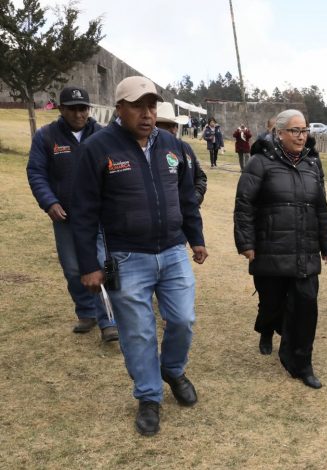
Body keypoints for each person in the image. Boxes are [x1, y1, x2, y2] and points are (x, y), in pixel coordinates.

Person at [71, 76, 208, 436]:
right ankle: (149, 397)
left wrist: (196, 238)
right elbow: (83, 212)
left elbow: (186, 198)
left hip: (173, 251)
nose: (147, 114)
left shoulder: (170, 144)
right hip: (127, 257)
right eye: (137, 106)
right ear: (120, 109)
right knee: (139, 333)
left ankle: (173, 370)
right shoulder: (98, 148)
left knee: (183, 320)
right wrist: (88, 265)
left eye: (151, 106)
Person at [234, 110, 327, 389]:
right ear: (279, 133)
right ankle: (266, 329)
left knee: (306, 306)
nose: (301, 136)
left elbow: (321, 206)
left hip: (304, 250)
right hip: (271, 248)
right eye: (294, 131)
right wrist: (247, 243)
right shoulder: (260, 163)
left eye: (304, 130)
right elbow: (244, 205)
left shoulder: (313, 164)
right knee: (272, 304)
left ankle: (300, 362)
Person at [26, 86, 118, 342]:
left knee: (103, 264)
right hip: (65, 216)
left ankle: (109, 320)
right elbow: (36, 172)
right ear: (61, 109)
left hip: (99, 216)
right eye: (74, 108)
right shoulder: (46, 137)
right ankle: (86, 312)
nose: (79, 114)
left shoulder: (102, 134)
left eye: (84, 108)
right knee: (73, 268)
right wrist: (49, 202)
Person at [155, 102, 208, 206]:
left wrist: (195, 198)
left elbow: (200, 177)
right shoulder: (145, 153)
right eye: (167, 126)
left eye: (175, 125)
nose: (174, 130)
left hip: (185, 215)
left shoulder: (185, 148)